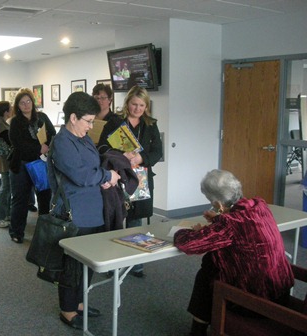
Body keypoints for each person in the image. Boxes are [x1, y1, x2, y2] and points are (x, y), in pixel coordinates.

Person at [174, 169, 294, 336]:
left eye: (211, 202)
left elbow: (187, 244)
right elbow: (244, 231)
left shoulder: (229, 224)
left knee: (207, 272)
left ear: (218, 204)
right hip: (281, 293)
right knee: (212, 261)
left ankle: (197, 331)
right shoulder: (260, 205)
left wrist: (183, 232)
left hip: (257, 302)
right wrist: (217, 219)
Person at [48, 92, 121, 330]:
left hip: (92, 208)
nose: (91, 126)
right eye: (88, 121)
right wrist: (107, 176)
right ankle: (67, 310)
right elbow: (81, 175)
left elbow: (94, 163)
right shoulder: (62, 143)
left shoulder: (82, 137)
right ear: (72, 117)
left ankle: (80, 302)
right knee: (72, 265)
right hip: (74, 212)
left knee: (87, 263)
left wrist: (113, 163)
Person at [98, 85, 163, 277]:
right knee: (115, 218)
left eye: (141, 105)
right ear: (127, 103)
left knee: (136, 221)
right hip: (119, 177)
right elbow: (102, 146)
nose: (137, 109)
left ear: (146, 106)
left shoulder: (150, 124)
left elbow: (157, 151)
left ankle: (135, 263)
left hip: (141, 179)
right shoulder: (114, 123)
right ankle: (111, 262)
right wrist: (122, 155)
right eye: (134, 104)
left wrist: (141, 159)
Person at [8, 88, 56, 243]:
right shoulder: (15, 121)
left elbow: (53, 133)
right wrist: (38, 148)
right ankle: (16, 232)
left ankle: (43, 232)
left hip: (41, 163)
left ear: (33, 103)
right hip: (22, 164)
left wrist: (46, 145)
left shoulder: (42, 117)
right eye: (22, 103)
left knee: (44, 197)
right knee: (20, 199)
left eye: (28, 101)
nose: (26, 105)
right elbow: (17, 143)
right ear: (18, 106)